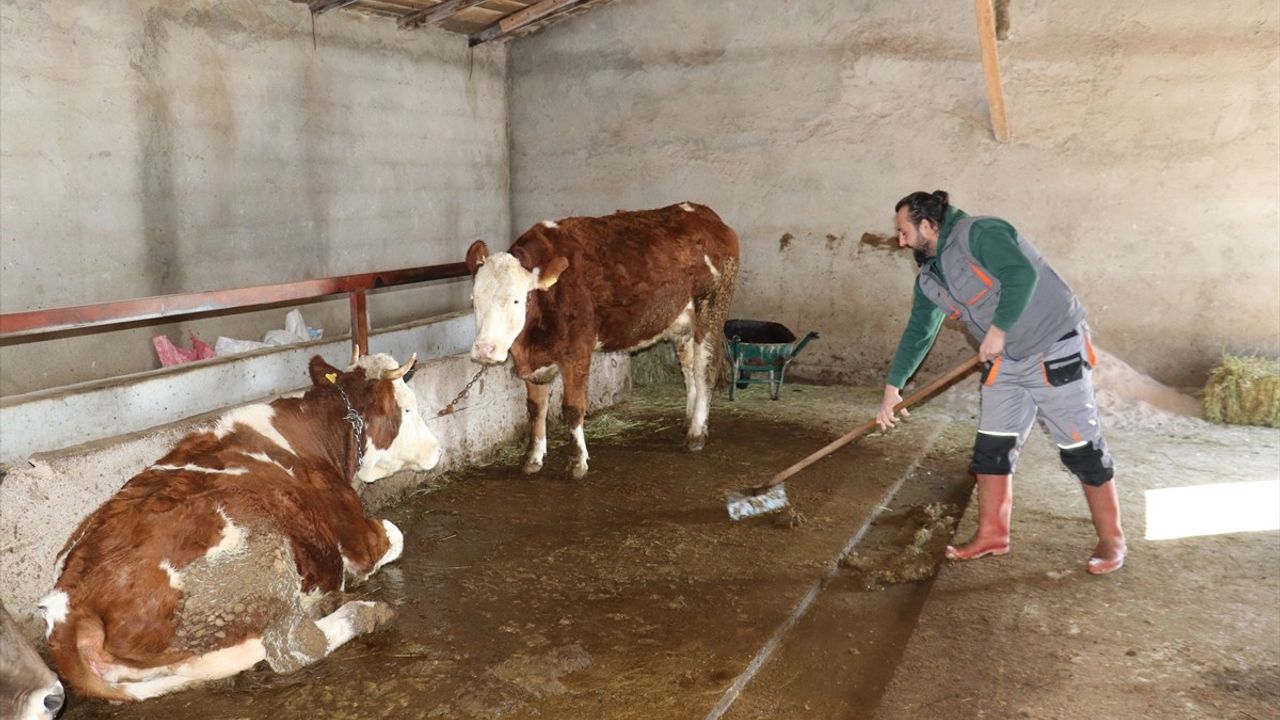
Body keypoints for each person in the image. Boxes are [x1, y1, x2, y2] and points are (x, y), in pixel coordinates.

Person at [875, 190, 1126, 575]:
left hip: (1052, 345)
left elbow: (1020, 274)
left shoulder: (980, 233)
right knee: (992, 447)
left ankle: (1112, 541)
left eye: (904, 230)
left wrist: (997, 330)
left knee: (1079, 447)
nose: (900, 239)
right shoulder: (929, 276)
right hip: (1006, 358)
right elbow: (918, 331)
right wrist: (894, 388)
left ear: (928, 225)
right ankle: (993, 534)